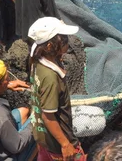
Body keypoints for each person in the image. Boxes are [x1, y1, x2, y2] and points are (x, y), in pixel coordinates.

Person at [28, 17, 84, 160]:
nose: (67, 41)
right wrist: (66, 144)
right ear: (49, 47)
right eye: (64, 39)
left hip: (42, 137)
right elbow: (48, 116)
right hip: (58, 145)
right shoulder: (51, 78)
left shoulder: (36, 58)